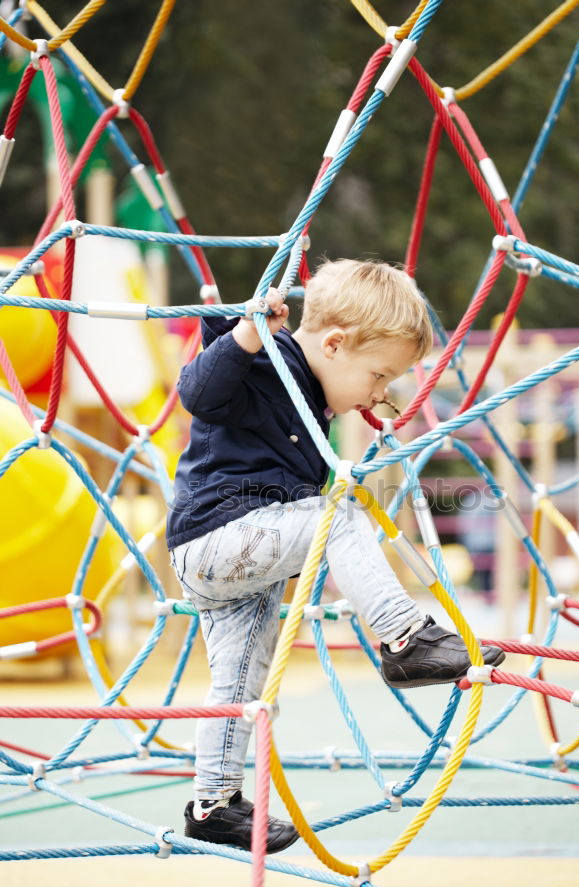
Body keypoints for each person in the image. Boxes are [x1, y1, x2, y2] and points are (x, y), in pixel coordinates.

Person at [167, 259, 504, 853]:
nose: (381, 391)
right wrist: (248, 331)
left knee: (240, 679)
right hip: (216, 538)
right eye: (379, 374)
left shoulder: (314, 396)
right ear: (335, 343)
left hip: (242, 558)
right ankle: (404, 640)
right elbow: (197, 390)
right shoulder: (266, 360)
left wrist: (368, 401)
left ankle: (212, 803)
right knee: (337, 515)